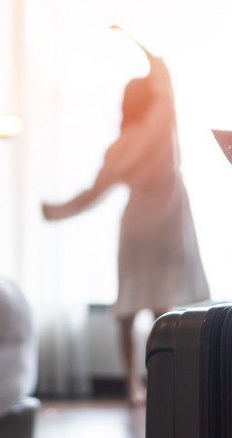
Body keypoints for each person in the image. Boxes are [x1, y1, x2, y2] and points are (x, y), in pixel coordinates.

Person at [42, 35, 210, 406]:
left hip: (136, 228)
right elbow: (162, 77)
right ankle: (163, 381)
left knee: (127, 308)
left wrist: (54, 212)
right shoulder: (162, 121)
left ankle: (133, 385)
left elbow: (92, 194)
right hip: (168, 226)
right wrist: (139, 43)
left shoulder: (119, 147)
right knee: (163, 309)